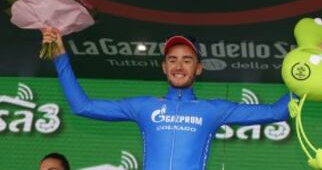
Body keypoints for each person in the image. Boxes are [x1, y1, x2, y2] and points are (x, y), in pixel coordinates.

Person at [42, 28, 295, 170]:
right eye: (172, 60)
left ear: (199, 68)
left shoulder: (213, 110)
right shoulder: (144, 106)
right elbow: (82, 106)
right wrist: (59, 55)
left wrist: (309, 77)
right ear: (163, 67)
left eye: (187, 60)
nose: (179, 66)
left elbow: (276, 112)